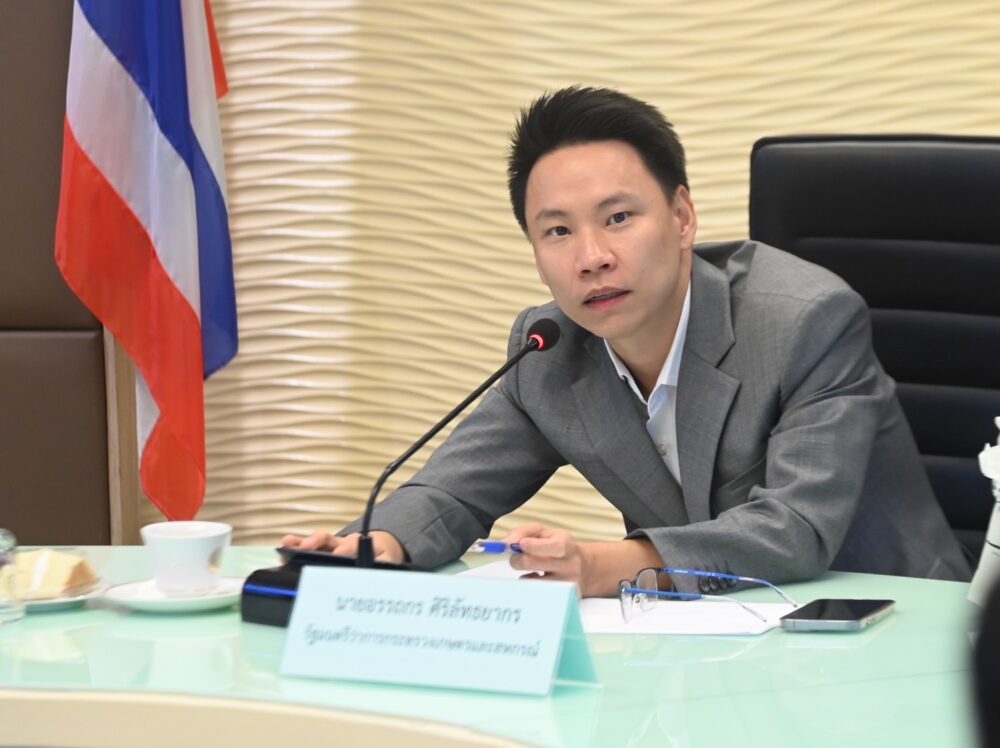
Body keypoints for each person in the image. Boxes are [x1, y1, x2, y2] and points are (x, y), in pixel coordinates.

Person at [282, 86, 970, 596]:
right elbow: (454, 493)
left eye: (617, 218)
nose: (591, 258)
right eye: (558, 231)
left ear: (682, 216)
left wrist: (602, 565)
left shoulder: (804, 321)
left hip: (890, 628)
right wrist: (377, 545)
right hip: (714, 643)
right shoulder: (550, 347)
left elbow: (795, 529)